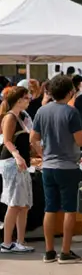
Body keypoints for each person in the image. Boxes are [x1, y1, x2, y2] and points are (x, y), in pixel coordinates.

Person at [31, 74, 82, 264]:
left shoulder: (42, 111)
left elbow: (33, 138)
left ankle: (48, 251)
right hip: (68, 166)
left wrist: (43, 153)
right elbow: (80, 140)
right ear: (70, 91)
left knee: (50, 208)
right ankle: (65, 251)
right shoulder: (71, 113)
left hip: (48, 166)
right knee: (70, 209)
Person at [0, 86, 38, 253]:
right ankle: (7, 242)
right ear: (19, 100)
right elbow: (7, 140)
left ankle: (20, 241)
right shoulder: (10, 117)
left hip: (20, 162)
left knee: (23, 204)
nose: (29, 100)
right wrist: (17, 155)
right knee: (14, 203)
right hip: (11, 162)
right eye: (27, 98)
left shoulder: (20, 116)